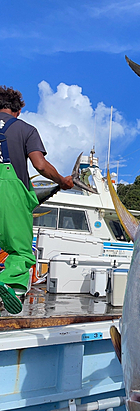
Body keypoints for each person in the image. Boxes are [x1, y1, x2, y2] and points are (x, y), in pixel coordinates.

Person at [0, 86, 74, 314]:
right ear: (19, 110)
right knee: (20, 251)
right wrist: (62, 181)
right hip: (9, 192)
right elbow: (40, 165)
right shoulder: (24, 129)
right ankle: (10, 284)